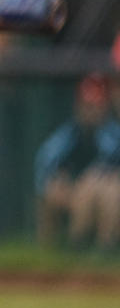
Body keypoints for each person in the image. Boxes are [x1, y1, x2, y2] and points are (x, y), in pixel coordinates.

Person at [34, 73, 120, 251]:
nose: (91, 111)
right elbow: (46, 160)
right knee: (53, 188)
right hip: (75, 188)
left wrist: (97, 177)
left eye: (96, 105)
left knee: (109, 192)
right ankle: (55, 251)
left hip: (104, 189)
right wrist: (59, 179)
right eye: (87, 105)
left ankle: (104, 250)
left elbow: (112, 161)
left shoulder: (112, 133)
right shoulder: (70, 132)